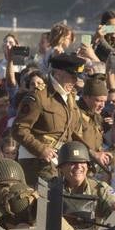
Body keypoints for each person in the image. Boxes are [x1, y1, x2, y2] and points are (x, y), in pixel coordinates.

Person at [12, 52, 84, 185]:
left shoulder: (70, 98)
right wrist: (41, 150)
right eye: (72, 77)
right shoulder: (38, 96)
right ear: (58, 73)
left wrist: (92, 154)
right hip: (36, 162)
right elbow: (18, 129)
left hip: (60, 162)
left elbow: (71, 133)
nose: (75, 82)